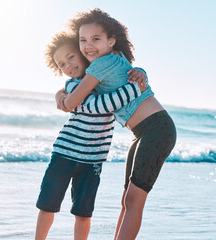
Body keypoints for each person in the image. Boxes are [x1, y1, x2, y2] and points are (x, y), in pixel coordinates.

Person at [57, 9, 177, 240]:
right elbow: (75, 87)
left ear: (111, 41)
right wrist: (59, 95)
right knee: (127, 199)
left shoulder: (102, 64)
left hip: (156, 130)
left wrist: (62, 100)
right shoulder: (113, 58)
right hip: (143, 132)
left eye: (96, 39)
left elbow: (72, 101)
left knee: (134, 200)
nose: (88, 46)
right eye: (83, 40)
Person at [35, 31, 148, 240]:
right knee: (48, 205)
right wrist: (136, 88)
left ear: (81, 53)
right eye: (61, 64)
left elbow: (124, 70)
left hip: (93, 160)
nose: (68, 65)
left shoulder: (103, 82)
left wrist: (140, 73)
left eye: (70, 57)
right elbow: (101, 106)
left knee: (83, 212)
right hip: (64, 155)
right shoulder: (72, 87)